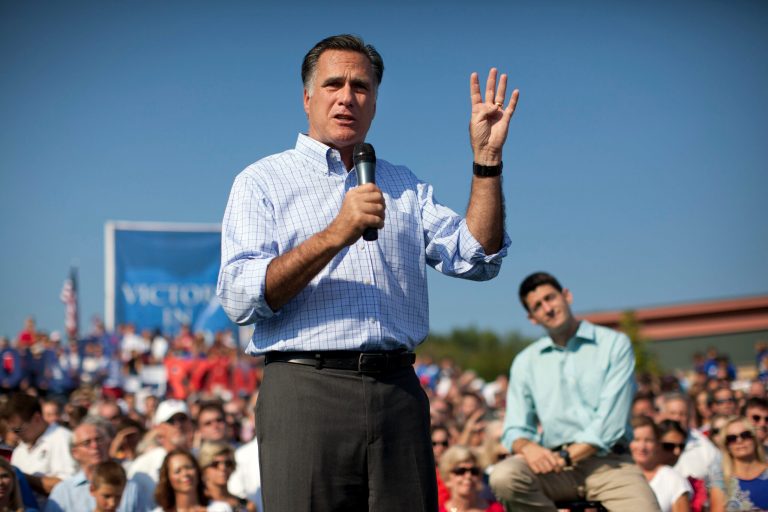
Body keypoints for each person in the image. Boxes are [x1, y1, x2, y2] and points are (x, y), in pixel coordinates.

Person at [217, 33, 518, 511]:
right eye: (333, 83)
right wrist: (336, 233)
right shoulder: (262, 181)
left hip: (397, 390)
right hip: (306, 390)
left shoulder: (404, 184)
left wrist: (487, 162)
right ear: (307, 97)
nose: (347, 96)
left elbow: (476, 257)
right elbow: (238, 297)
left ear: (375, 101)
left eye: (361, 86)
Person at [489, 272, 660, 510]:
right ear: (532, 318)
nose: (547, 308)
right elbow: (515, 428)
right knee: (503, 476)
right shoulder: (525, 361)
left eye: (550, 298)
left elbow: (610, 424)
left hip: (610, 464)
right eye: (538, 306)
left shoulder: (613, 344)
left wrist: (566, 457)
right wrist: (527, 447)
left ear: (566, 296)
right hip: (553, 468)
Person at [44, 417, 149, 512]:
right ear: (75, 453)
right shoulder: (63, 492)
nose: (95, 446)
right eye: (87, 443)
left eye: (99, 440)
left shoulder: (130, 487)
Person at [1, 393, 77, 505]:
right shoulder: (19, 451)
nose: (16, 435)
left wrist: (21, 476)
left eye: (18, 429)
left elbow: (69, 487)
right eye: (12, 430)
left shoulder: (63, 439)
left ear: (36, 418)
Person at [630, 416, 692, 512]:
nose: (642, 447)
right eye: (636, 440)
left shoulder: (674, 480)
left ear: (658, 444)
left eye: (648, 440)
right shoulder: (616, 476)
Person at [709, 416, 768, 511]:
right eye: (732, 438)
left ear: (754, 438)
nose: (739, 441)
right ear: (726, 446)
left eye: (745, 435)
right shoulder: (721, 482)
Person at [152, 449, 230, 512]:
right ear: (167, 478)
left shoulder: (220, 508)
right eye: (177, 471)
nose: (185, 474)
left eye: (189, 467)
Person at [438, 445, 503, 512]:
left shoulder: (496, 509)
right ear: (447, 478)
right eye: (461, 471)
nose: (468, 476)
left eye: (474, 471)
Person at [198, 442, 255, 512]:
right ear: (204, 468)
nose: (223, 468)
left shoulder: (247, 506)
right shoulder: (196, 502)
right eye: (215, 464)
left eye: (228, 463)